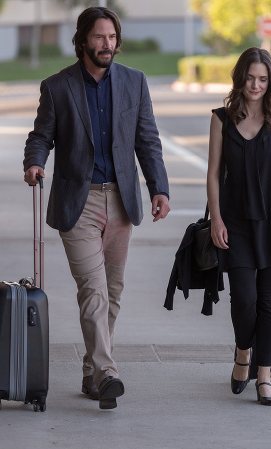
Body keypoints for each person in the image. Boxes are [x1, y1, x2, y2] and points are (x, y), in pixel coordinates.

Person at [22, 6, 170, 410]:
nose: (107, 44)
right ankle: (108, 372)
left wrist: (159, 188)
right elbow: (41, 136)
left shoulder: (135, 83)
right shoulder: (58, 87)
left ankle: (91, 373)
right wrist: (35, 162)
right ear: (83, 40)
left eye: (112, 37)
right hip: (79, 201)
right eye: (99, 37)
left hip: (121, 201)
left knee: (113, 293)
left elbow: (148, 140)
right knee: (94, 289)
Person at [207, 47, 271, 406]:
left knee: (268, 301)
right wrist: (216, 218)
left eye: (263, 79)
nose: (256, 85)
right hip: (236, 222)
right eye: (250, 78)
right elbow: (214, 174)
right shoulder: (222, 118)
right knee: (244, 298)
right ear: (240, 78)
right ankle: (243, 351)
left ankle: (264, 375)